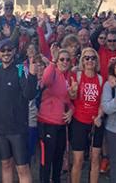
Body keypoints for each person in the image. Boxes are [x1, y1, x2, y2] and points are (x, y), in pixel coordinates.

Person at [0, 39, 37, 183]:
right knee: (5, 164)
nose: (6, 53)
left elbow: (29, 94)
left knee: (22, 167)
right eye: (3, 50)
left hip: (17, 128)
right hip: (0, 128)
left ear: (14, 51)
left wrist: (32, 73)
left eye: (9, 50)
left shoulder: (20, 69)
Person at [37, 48, 74, 183]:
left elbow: (70, 101)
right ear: (57, 61)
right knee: (46, 160)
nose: (65, 62)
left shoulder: (69, 77)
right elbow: (45, 81)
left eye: (67, 59)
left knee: (58, 158)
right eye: (62, 59)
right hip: (47, 123)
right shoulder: (52, 72)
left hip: (62, 124)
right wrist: (52, 62)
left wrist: (71, 111)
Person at [70, 48, 104, 183]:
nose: (90, 60)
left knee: (95, 158)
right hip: (79, 121)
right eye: (87, 58)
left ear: (97, 61)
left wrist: (100, 115)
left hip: (96, 122)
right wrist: (72, 91)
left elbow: (102, 102)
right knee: (78, 160)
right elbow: (71, 97)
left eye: (93, 58)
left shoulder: (101, 79)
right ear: (82, 61)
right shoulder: (76, 76)